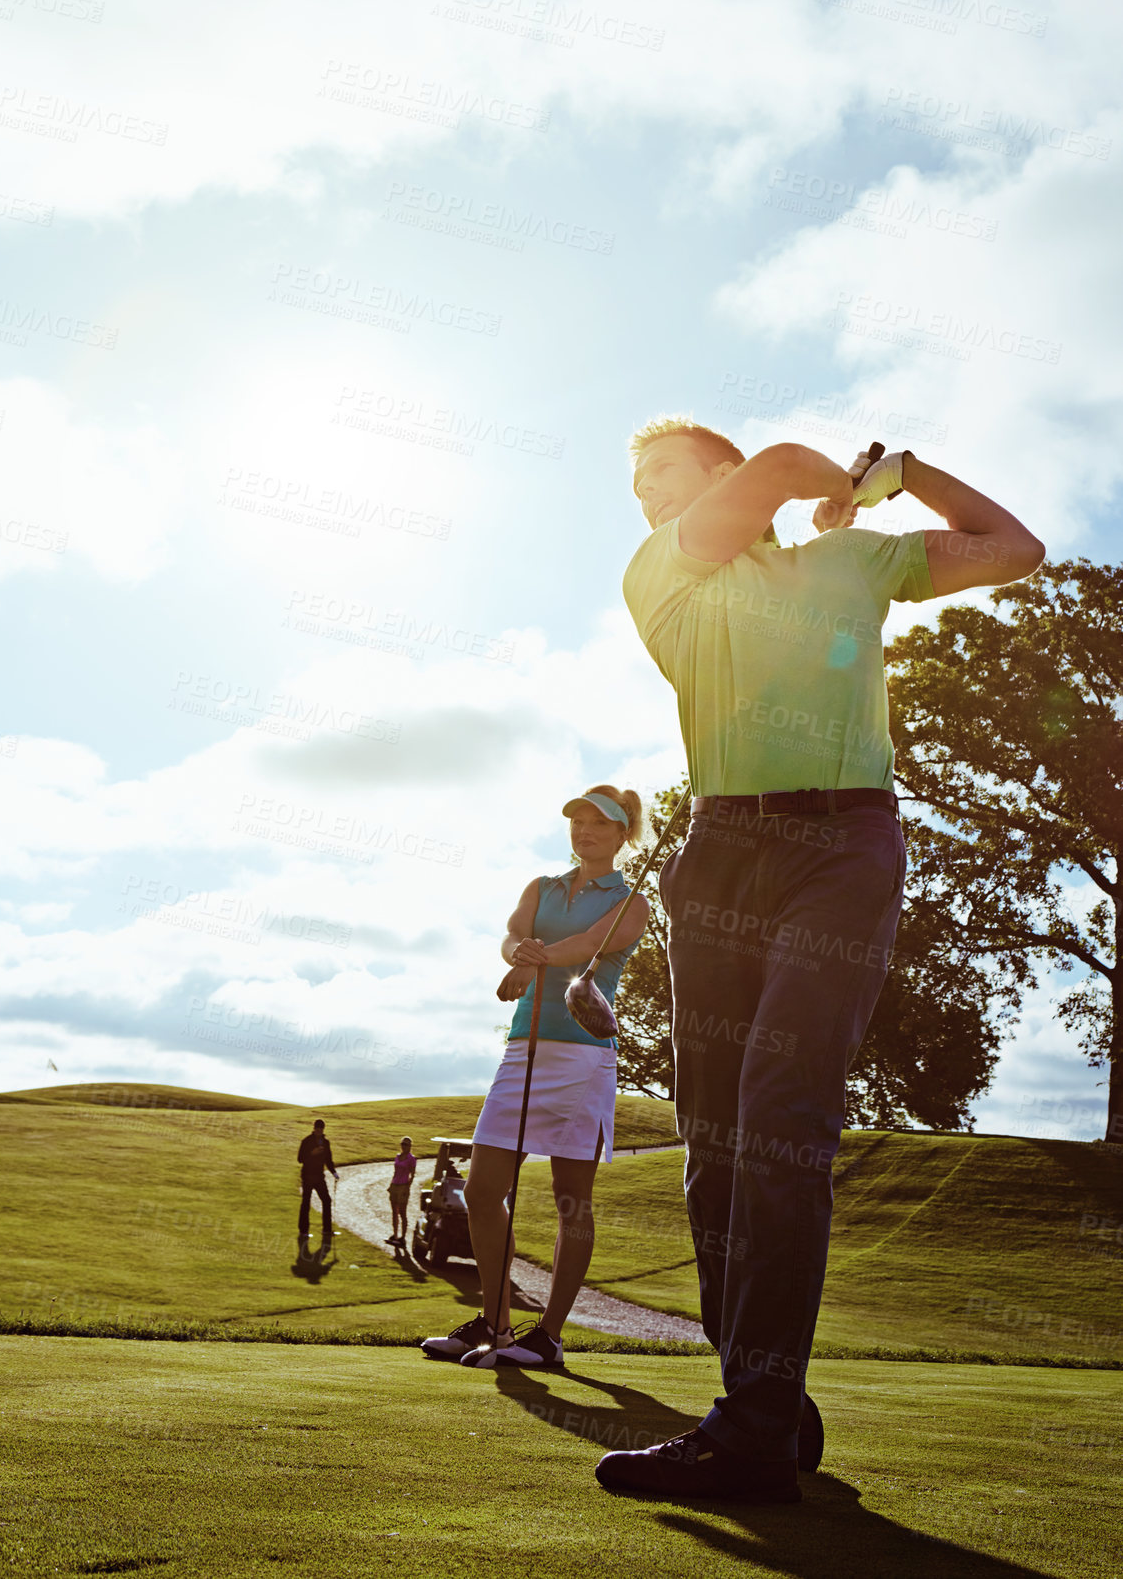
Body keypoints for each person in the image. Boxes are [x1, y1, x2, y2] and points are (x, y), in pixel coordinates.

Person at [593, 420, 1044, 1502]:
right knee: (714, 1143)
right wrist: (838, 484)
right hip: (716, 859)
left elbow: (1011, 547)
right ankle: (763, 1399)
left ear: (717, 469)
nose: (647, 496)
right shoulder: (661, 571)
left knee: (781, 1115)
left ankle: (749, 1427)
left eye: (664, 473)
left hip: (840, 846)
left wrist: (896, 479)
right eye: (637, 484)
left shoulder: (852, 561)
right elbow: (792, 469)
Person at [421, 786, 649, 1369]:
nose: (585, 829)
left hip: (581, 1056)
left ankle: (547, 1336)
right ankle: (496, 1321)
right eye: (578, 820)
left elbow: (588, 947)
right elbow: (511, 935)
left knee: (571, 1200)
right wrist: (518, 953)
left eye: (601, 822)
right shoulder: (540, 887)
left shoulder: (632, 903)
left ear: (624, 835)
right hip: (522, 1049)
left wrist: (534, 960)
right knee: (481, 1191)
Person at [297, 1117, 337, 1238]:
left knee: (326, 1200)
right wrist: (312, 1153)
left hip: (319, 1176)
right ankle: (303, 1231)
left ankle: (327, 1230)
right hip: (308, 1176)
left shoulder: (326, 1142)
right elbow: (300, 1159)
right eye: (317, 1128)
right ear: (314, 1128)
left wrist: (334, 1172)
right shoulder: (306, 1141)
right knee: (306, 1202)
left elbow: (328, 1160)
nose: (319, 1131)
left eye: (321, 1129)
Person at [388, 1136, 417, 1244]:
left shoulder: (411, 1159)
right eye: (403, 1144)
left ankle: (403, 1237)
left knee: (402, 1212)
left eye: (406, 1144)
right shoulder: (397, 1156)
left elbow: (412, 1174)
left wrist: (407, 1187)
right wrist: (391, 1185)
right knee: (394, 1212)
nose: (404, 1146)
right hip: (394, 1185)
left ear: (410, 1146)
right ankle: (395, 1235)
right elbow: (395, 1172)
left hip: (403, 1186)